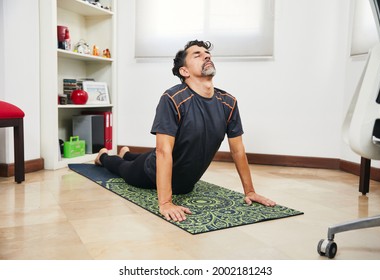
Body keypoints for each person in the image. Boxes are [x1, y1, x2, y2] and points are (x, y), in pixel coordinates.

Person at [95, 40, 276, 222]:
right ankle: (103, 157)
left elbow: (238, 150)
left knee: (154, 153)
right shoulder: (172, 98)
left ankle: (127, 153)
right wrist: (165, 202)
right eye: (197, 55)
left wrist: (250, 191)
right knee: (123, 169)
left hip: (185, 183)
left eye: (207, 53)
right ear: (184, 71)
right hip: (151, 172)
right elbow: (163, 151)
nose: (206, 55)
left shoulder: (228, 103)